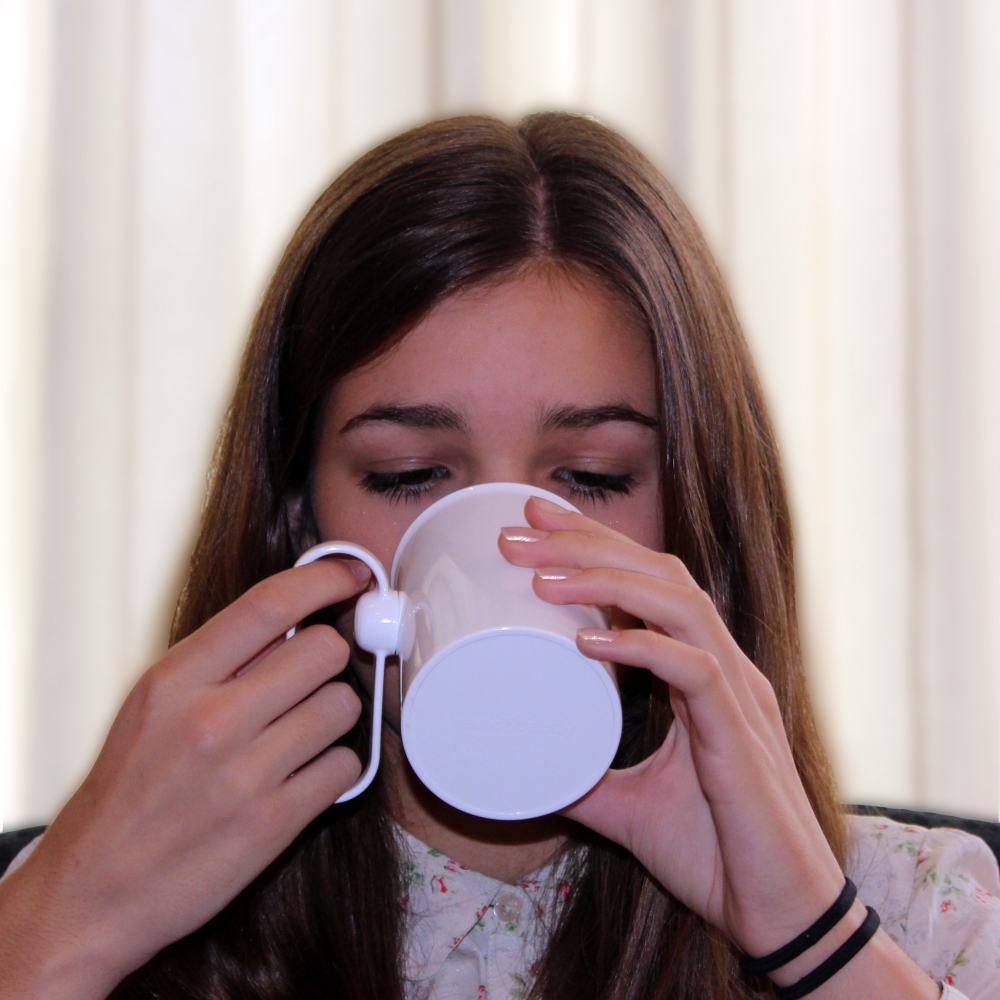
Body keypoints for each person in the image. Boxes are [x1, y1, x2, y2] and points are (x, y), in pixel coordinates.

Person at [0, 114, 997, 1000]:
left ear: (695, 524)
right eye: (409, 474)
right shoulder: (94, 901)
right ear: (297, 518)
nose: (512, 544)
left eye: (592, 477)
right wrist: (64, 930)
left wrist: (812, 937)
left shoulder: (917, 916)